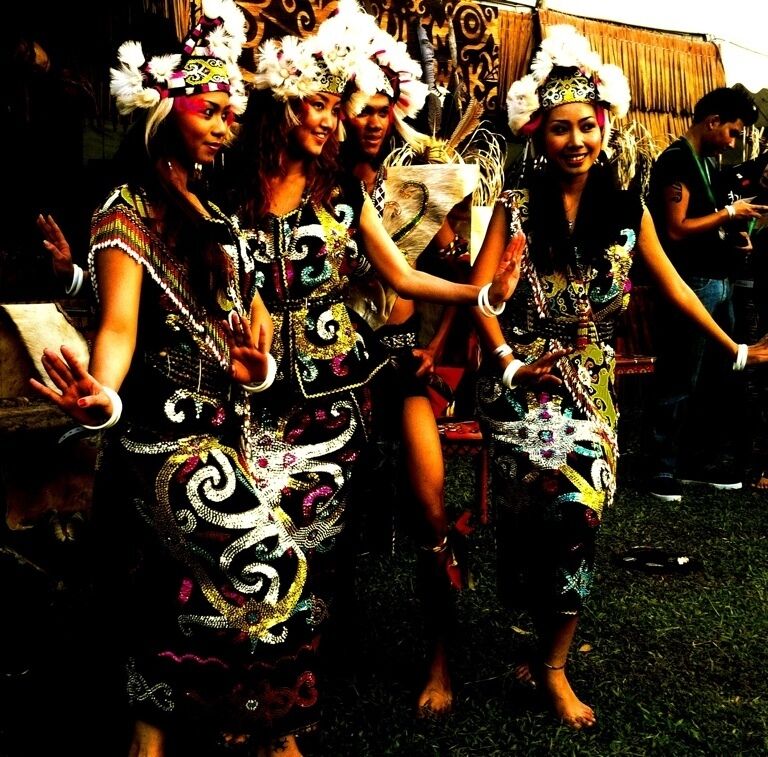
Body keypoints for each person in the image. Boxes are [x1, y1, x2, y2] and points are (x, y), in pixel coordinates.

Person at [213, 3, 522, 752]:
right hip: (258, 397)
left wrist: (481, 295)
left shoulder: (366, 186)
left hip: (356, 382)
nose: (344, 119)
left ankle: (406, 665)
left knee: (403, 513)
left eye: (345, 106)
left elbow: (410, 274)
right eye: (325, 105)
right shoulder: (234, 191)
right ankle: (259, 690)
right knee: (256, 545)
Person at [469, 24, 768, 730]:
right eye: (560, 129)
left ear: (604, 127)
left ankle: (552, 667)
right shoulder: (513, 207)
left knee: (578, 512)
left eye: (586, 127)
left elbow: (675, 288)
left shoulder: (627, 209)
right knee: (526, 527)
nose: (576, 140)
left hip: (591, 385)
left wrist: (734, 349)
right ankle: (537, 625)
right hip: (520, 382)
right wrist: (509, 355)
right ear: (540, 135)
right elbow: (482, 300)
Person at [27, 3, 287, 755]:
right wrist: (103, 396)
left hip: (226, 434)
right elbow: (118, 327)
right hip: (161, 442)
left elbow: (248, 343)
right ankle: (254, 724)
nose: (221, 126)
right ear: (163, 113)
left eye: (228, 116)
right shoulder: (127, 211)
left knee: (175, 593)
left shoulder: (221, 217)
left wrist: (259, 366)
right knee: (269, 566)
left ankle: (159, 734)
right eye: (207, 111)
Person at [336, 8, 472, 716]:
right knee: (324, 508)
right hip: (328, 362)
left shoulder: (423, 171)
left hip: (399, 357)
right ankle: (317, 646)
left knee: (428, 505)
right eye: (357, 106)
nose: (371, 119)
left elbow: (457, 270)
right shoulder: (312, 177)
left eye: (382, 106)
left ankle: (442, 658)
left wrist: (437, 345)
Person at [645, 87, 767, 501]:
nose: (734, 141)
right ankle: (660, 468)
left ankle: (694, 463)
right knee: (680, 374)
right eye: (733, 131)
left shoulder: (709, 165)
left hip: (718, 280)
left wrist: (735, 235)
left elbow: (705, 222)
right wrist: (729, 214)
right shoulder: (678, 160)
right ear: (712, 121)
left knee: (714, 378)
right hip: (692, 282)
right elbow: (676, 227)